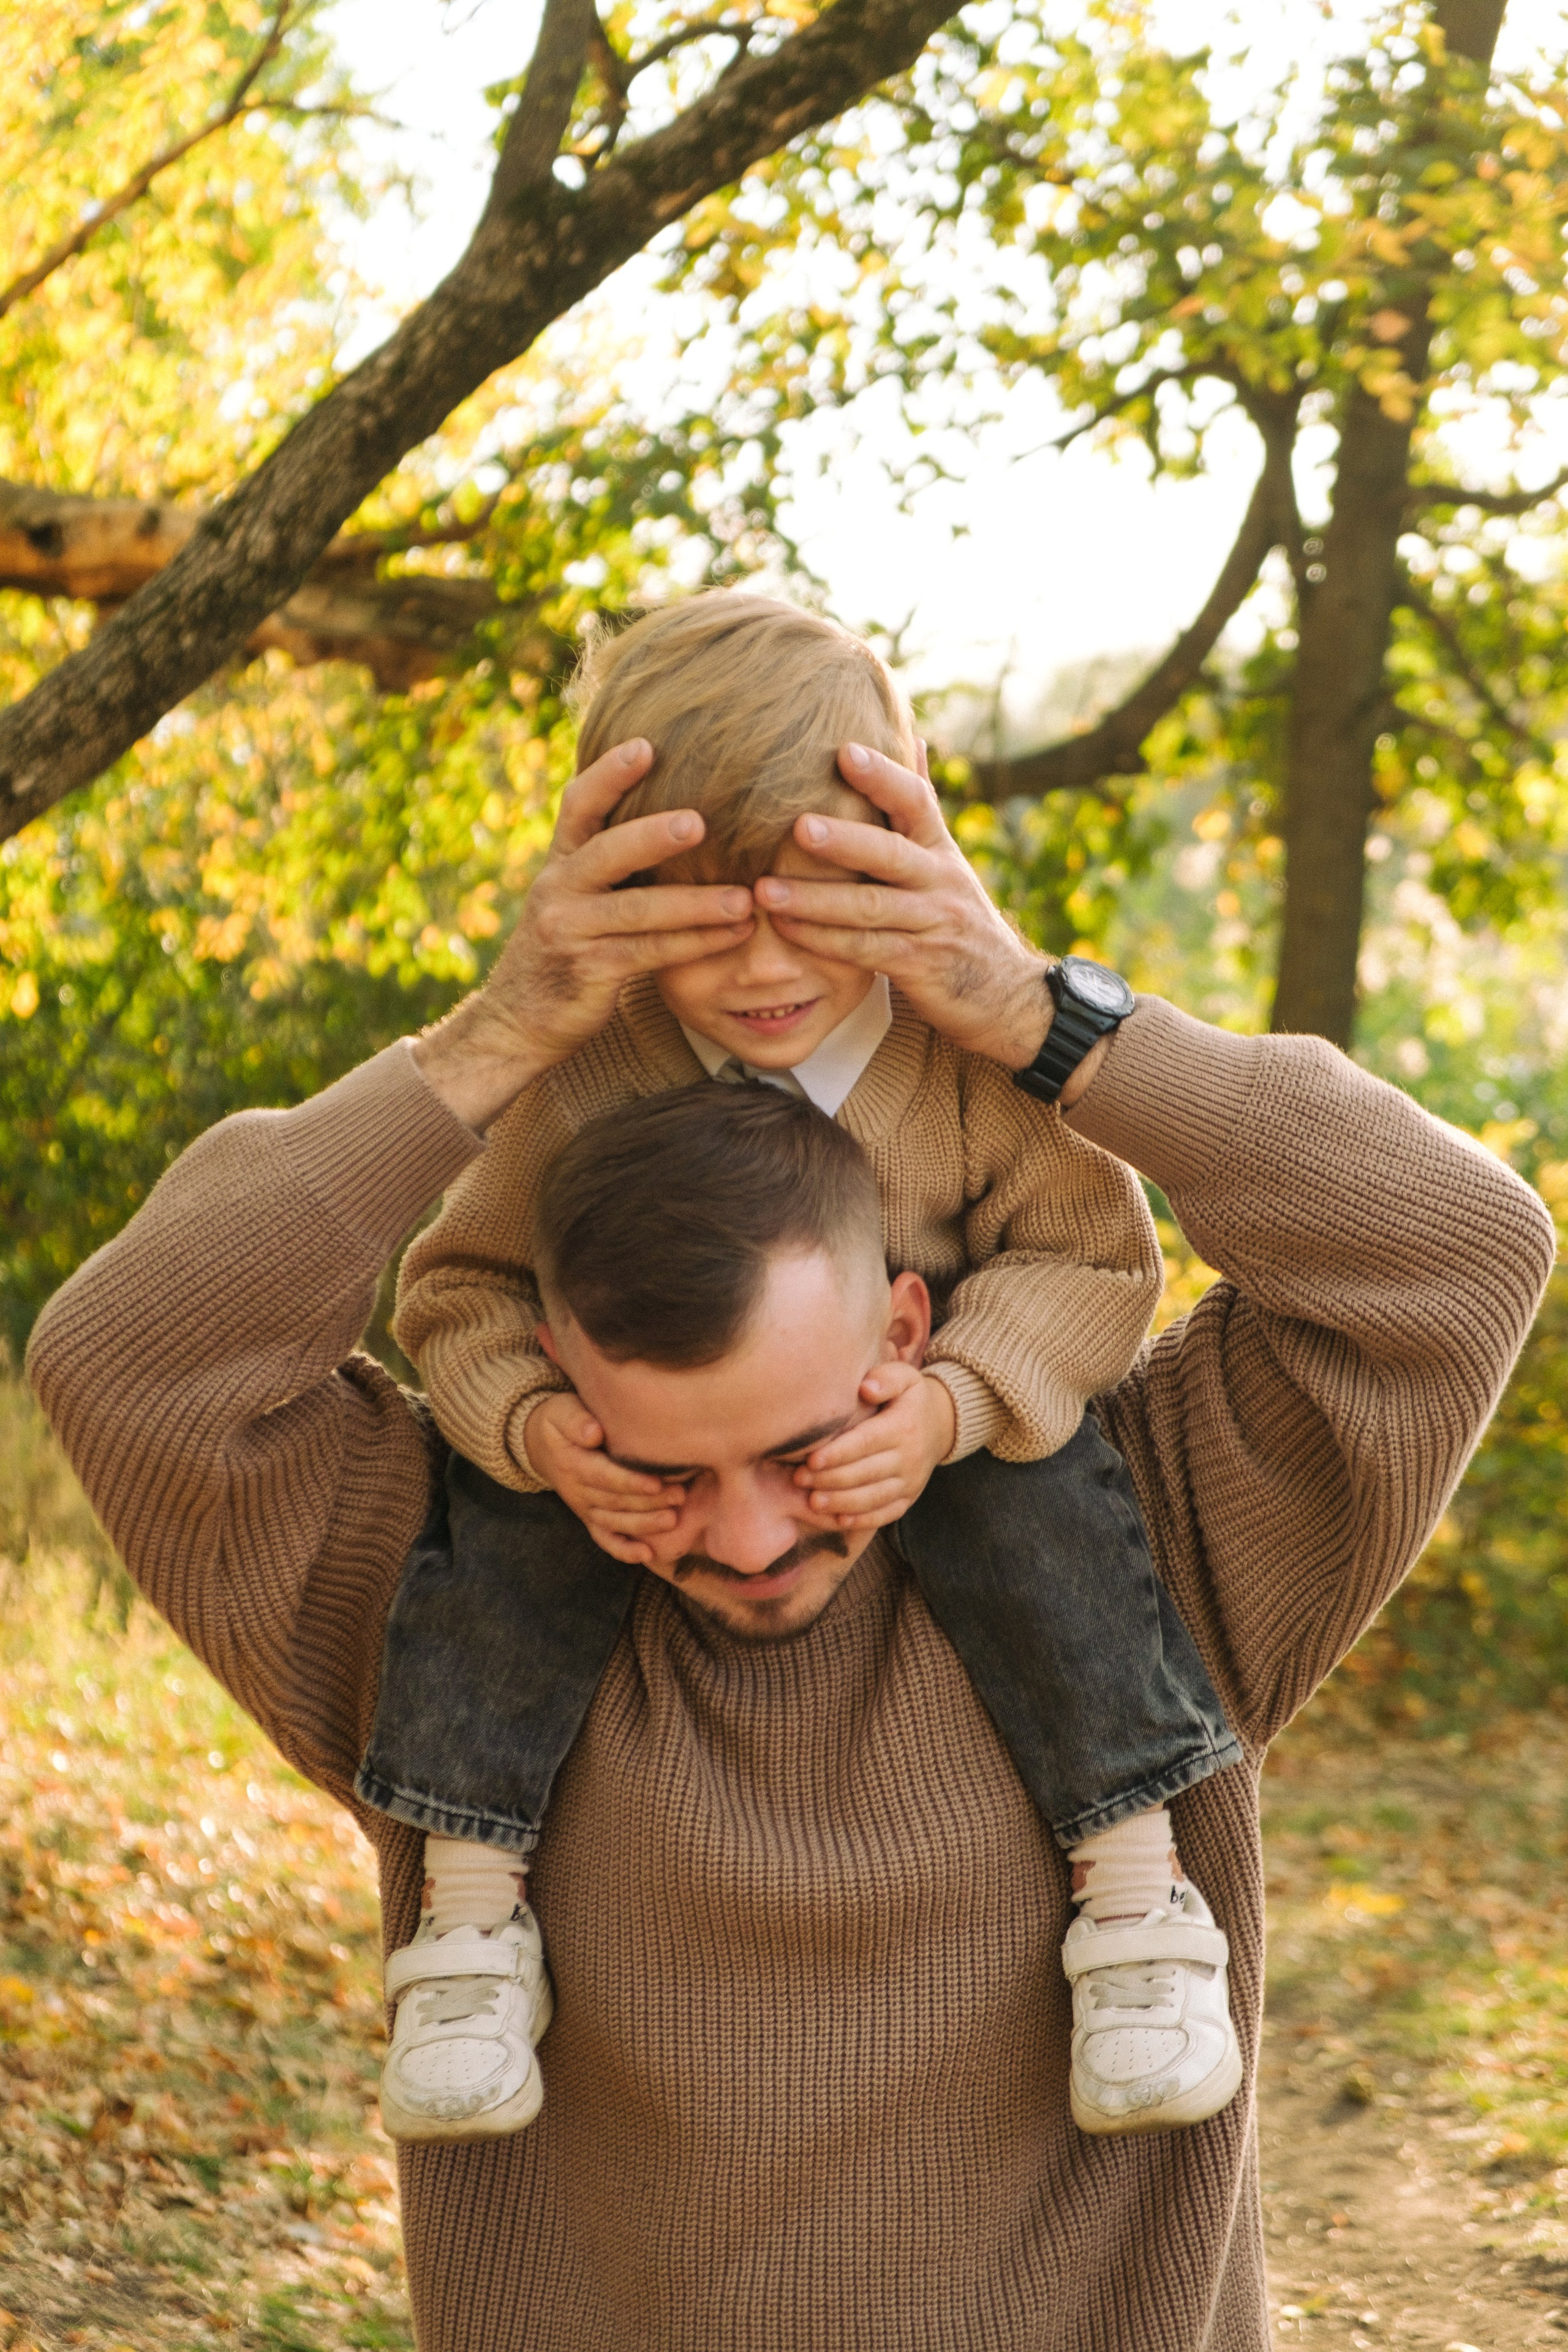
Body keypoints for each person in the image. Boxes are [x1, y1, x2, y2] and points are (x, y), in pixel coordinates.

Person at [27, 741, 1553, 2352]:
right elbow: (129, 1358)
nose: (747, 1537)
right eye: (659, 1463)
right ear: (554, 1364)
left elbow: (1460, 1250)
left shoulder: (1145, 1542)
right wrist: (496, 1043)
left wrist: (1042, 1017)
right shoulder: (458, 1603)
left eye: (802, 1447)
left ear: (907, 1325)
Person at [366, 593, 1243, 2149]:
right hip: (640, 1467)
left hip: (927, 1429)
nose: (763, 964)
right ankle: (468, 1920)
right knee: (513, 1501)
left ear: (904, 858)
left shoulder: (962, 1056)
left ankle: (1133, 1900)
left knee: (1035, 1489)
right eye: (703, 916)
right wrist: (535, 1423)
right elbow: (457, 1289)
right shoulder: (593, 1062)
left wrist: (955, 1403)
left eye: (812, 906)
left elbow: (1097, 1262)